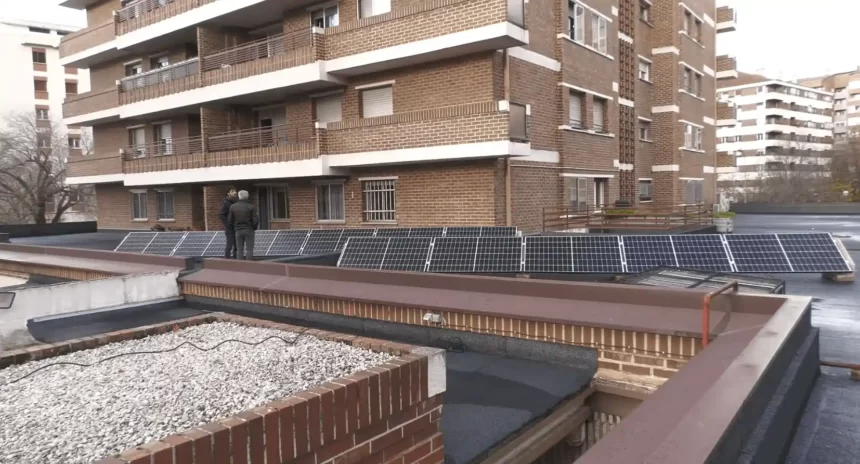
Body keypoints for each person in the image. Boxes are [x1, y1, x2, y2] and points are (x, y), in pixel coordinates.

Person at [227, 190, 259, 260]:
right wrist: (254, 227)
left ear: (239, 196)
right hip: (249, 229)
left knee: (239, 249)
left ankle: (240, 264)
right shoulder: (251, 206)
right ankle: (249, 264)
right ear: (247, 196)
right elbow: (255, 220)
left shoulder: (233, 206)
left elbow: (230, 220)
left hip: (238, 230)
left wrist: (234, 227)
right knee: (249, 249)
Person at [218, 188, 238, 259]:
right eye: (232, 191)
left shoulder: (236, 202)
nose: (234, 193)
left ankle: (236, 260)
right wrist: (228, 224)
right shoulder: (226, 203)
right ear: (228, 193)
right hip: (230, 229)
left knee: (237, 246)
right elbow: (221, 215)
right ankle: (227, 260)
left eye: (235, 191)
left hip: (236, 227)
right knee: (229, 245)